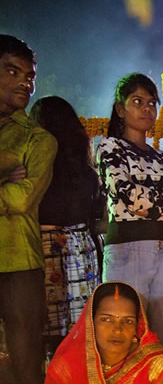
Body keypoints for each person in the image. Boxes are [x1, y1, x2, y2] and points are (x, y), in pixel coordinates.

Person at [96, 73, 163, 347]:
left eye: (151, 103)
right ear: (120, 109)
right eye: (137, 101)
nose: (146, 108)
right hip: (127, 249)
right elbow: (129, 197)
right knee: (124, 331)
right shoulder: (110, 148)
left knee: (161, 333)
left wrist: (151, 205)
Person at [0, 35, 57, 384]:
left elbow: (21, 199)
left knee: (24, 359)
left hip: (20, 261)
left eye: (30, 75)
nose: (25, 82)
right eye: (11, 71)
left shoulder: (39, 139)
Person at [29, 96, 102, 350]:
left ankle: (47, 380)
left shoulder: (35, 168)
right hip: (82, 249)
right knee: (79, 330)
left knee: (46, 327)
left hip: (47, 246)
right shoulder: (87, 172)